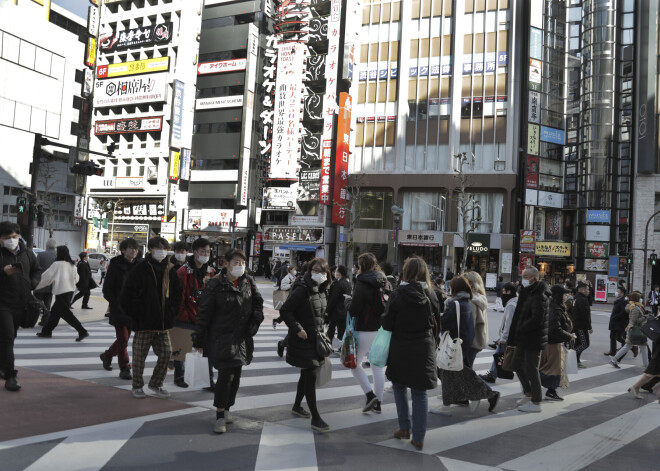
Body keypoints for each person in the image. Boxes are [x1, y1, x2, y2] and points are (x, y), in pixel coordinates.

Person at [193, 248, 263, 433]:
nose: (239, 266)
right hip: (221, 338)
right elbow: (204, 314)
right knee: (226, 377)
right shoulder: (215, 285)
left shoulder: (247, 282)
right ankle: (219, 415)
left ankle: (228, 408)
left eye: (242, 263)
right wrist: (198, 339)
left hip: (241, 338)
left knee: (236, 376)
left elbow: (258, 303)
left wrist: (255, 321)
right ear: (226, 264)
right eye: (236, 263)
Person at [382, 257, 439, 451]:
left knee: (398, 386)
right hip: (424, 347)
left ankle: (404, 428)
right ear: (425, 273)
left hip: (400, 347)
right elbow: (437, 323)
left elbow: (387, 324)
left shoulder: (398, 294)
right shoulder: (431, 294)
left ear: (405, 272)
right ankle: (419, 437)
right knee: (419, 392)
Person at [120, 237, 183, 399]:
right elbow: (127, 295)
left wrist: (171, 313)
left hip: (163, 323)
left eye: (164, 248)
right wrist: (138, 314)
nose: (161, 251)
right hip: (143, 323)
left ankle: (156, 383)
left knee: (167, 353)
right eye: (158, 248)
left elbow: (177, 295)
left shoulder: (170, 269)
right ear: (150, 249)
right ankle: (137, 386)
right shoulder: (141, 269)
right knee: (140, 357)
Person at [432, 275, 500, 416]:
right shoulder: (466, 302)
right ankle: (466, 398)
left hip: (456, 345)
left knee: (454, 373)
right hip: (465, 343)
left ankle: (487, 394)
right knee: (459, 373)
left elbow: (444, 323)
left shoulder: (456, 303)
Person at [279, 258, 332, 432]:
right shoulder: (302, 289)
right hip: (303, 339)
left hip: (315, 339)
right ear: (309, 271)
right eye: (316, 270)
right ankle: (315, 417)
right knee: (310, 376)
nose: (320, 274)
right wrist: (298, 329)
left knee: (307, 374)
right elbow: (285, 310)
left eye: (323, 271)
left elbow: (320, 313)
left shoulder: (322, 289)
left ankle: (296, 406)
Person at [0, 222, 42, 391]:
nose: (12, 240)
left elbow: (37, 271)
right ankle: (11, 376)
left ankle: (3, 366)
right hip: (2, 304)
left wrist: (32, 283)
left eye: (15, 236)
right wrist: (3, 273)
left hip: (22, 303)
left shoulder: (27, 253)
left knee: (9, 337)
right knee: (8, 337)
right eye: (7, 237)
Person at [345, 253, 389, 413]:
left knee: (354, 364)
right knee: (377, 367)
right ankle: (378, 403)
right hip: (380, 328)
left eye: (358, 265)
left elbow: (355, 309)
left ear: (362, 265)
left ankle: (370, 396)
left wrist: (347, 301)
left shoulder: (362, 283)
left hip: (362, 328)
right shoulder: (384, 281)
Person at [507, 266, 549, 413]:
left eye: (525, 277)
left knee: (532, 369)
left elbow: (537, 319)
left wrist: (521, 327)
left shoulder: (539, 295)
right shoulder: (527, 292)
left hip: (533, 338)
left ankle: (536, 402)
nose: (522, 279)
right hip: (523, 337)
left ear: (535, 279)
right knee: (516, 364)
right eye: (522, 276)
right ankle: (528, 393)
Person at [173, 238, 214, 388]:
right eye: (203, 251)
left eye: (208, 251)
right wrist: (183, 316)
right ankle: (179, 376)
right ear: (195, 252)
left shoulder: (211, 271)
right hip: (184, 317)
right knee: (182, 347)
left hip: (203, 317)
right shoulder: (183, 271)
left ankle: (208, 380)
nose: (205, 254)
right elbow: (179, 297)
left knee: (206, 349)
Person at [100, 237, 139, 380]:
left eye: (136, 248)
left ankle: (107, 355)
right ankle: (125, 367)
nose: (134, 251)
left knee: (124, 339)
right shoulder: (115, 266)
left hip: (134, 310)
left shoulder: (139, 266)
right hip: (119, 309)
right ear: (123, 250)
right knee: (123, 339)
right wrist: (116, 304)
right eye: (130, 248)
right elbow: (107, 289)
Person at [35, 246, 89, 342]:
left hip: (61, 292)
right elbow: (77, 278)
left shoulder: (57, 264)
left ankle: (82, 331)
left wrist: (34, 285)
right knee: (55, 314)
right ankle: (46, 331)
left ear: (59, 253)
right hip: (69, 292)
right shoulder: (72, 264)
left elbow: (46, 277)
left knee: (66, 314)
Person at [540, 285, 575, 401]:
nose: (566, 296)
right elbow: (554, 328)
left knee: (553, 368)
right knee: (553, 369)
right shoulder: (555, 309)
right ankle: (535, 383)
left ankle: (551, 390)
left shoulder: (557, 307)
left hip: (553, 342)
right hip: (552, 343)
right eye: (564, 294)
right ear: (559, 295)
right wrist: (569, 336)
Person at [480, 282, 518, 384]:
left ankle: (492, 375)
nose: (502, 293)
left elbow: (508, 323)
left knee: (499, 354)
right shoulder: (516, 301)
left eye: (504, 291)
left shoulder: (511, 305)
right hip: (513, 336)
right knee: (500, 355)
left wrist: (503, 338)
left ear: (509, 292)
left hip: (508, 336)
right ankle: (492, 374)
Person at [610, 291, 650, 369]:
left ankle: (614, 360)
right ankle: (646, 366)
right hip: (637, 330)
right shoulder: (635, 307)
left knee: (628, 346)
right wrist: (646, 317)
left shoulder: (635, 306)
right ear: (636, 299)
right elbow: (635, 320)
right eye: (639, 298)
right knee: (642, 347)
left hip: (634, 330)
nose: (641, 299)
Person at [464, 271, 489, 368]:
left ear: (470, 283)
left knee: (466, 373)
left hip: (470, 342)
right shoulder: (480, 298)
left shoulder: (470, 301)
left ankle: (480, 384)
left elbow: (469, 325)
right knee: (468, 370)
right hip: (478, 340)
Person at [34, 238, 57, 326]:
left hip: (41, 282)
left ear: (46, 246)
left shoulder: (41, 255)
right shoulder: (57, 255)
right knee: (48, 302)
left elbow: (36, 268)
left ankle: (34, 319)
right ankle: (45, 320)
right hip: (51, 283)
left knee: (38, 301)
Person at [325, 265, 351, 343]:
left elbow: (333, 298)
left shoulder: (338, 283)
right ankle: (343, 347)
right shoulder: (347, 283)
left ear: (339, 273)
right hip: (344, 310)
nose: (335, 273)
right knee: (342, 330)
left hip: (336, 311)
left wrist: (327, 310)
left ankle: (328, 345)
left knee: (331, 329)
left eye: (336, 271)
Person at [572, 281, 592, 368]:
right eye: (588, 289)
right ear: (583, 290)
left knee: (578, 343)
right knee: (585, 344)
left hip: (576, 325)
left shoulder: (576, 298)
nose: (589, 291)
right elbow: (585, 315)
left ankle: (576, 361)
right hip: (581, 326)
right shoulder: (582, 300)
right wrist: (589, 327)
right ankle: (571, 357)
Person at [605, 287, 629, 356]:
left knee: (618, 337)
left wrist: (615, 317)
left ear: (622, 293)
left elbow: (623, 312)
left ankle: (631, 347)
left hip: (619, 322)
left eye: (617, 291)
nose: (616, 293)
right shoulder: (619, 299)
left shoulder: (624, 301)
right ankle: (612, 351)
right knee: (612, 336)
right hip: (615, 322)